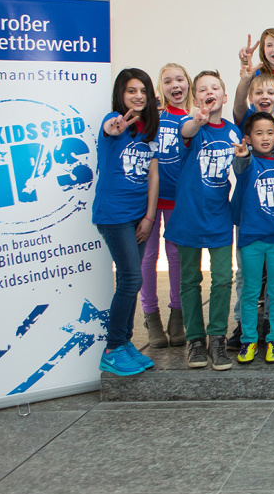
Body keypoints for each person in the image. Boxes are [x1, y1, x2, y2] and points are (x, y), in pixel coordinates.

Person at [168, 70, 239, 371]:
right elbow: (186, 131)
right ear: (195, 97)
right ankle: (195, 340)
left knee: (223, 279)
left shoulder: (234, 131)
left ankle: (217, 338)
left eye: (215, 88)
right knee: (190, 280)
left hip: (219, 218)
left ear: (224, 95)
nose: (209, 92)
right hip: (187, 217)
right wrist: (198, 118)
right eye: (202, 89)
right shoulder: (192, 127)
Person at [94, 68, 161, 376]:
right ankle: (112, 348)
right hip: (114, 215)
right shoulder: (113, 127)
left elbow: (153, 175)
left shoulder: (148, 131)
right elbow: (111, 127)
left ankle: (124, 343)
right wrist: (115, 125)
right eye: (131, 90)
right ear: (120, 95)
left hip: (138, 216)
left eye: (142, 91)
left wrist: (149, 216)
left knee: (129, 281)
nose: (137, 96)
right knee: (132, 278)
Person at [230, 112, 274, 364]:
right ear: (248, 138)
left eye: (270, 133)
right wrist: (242, 155)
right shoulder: (248, 162)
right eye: (258, 133)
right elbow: (241, 165)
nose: (265, 137)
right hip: (251, 238)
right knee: (250, 291)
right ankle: (249, 340)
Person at [139, 63, 191, 349]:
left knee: (176, 256)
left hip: (178, 201)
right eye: (168, 80)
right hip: (149, 200)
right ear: (161, 88)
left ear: (188, 84)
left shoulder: (194, 119)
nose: (175, 85)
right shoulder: (154, 119)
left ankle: (177, 314)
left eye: (180, 79)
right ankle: (151, 316)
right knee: (148, 257)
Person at [232, 29, 274, 120]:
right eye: (269, 45)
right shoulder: (257, 75)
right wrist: (245, 62)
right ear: (263, 50)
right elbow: (240, 101)